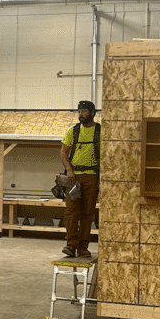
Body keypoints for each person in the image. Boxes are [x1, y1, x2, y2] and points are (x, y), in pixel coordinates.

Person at [60, 100, 101, 259]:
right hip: (73, 178)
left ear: (92, 113)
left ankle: (83, 246)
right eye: (79, 111)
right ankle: (71, 244)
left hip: (92, 177)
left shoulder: (100, 131)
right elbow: (63, 152)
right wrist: (69, 169)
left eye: (84, 111)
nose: (81, 114)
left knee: (87, 213)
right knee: (71, 212)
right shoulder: (73, 130)